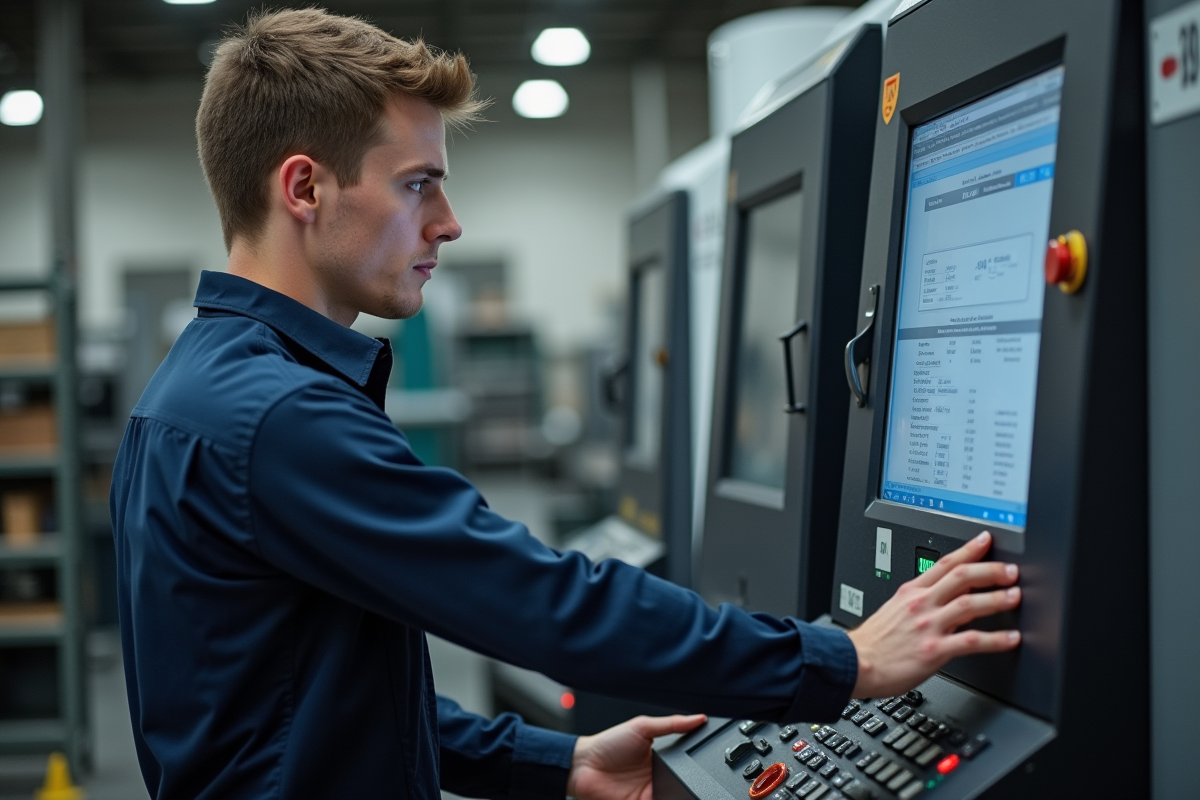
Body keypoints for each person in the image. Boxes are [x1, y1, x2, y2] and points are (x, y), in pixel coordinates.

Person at [109, 8, 1023, 800]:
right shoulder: (277, 416)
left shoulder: (196, 389)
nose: (448, 222)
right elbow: (544, 603)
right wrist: (846, 661)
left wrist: (556, 765)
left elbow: (307, 698)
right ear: (305, 187)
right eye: (418, 183)